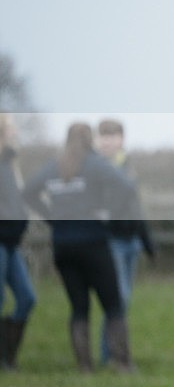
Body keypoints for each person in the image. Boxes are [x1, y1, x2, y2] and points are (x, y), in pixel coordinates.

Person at [23, 122, 136, 373]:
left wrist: (51, 217)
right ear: (90, 140)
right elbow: (127, 187)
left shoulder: (54, 167)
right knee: (113, 304)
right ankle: (123, 363)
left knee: (78, 308)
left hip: (62, 246)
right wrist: (111, 214)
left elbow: (29, 192)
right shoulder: (95, 164)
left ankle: (85, 367)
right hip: (93, 243)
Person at [96, 119, 155, 364]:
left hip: (132, 241)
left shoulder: (128, 167)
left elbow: (136, 208)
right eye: (105, 136)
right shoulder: (96, 168)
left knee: (124, 298)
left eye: (114, 136)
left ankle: (111, 353)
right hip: (112, 241)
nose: (109, 141)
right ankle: (110, 355)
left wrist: (147, 242)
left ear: (121, 139)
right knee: (117, 297)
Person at [0, 114, 36, 370]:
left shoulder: (11, 163)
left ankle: (7, 355)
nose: (14, 133)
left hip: (12, 243)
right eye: (10, 129)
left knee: (26, 297)